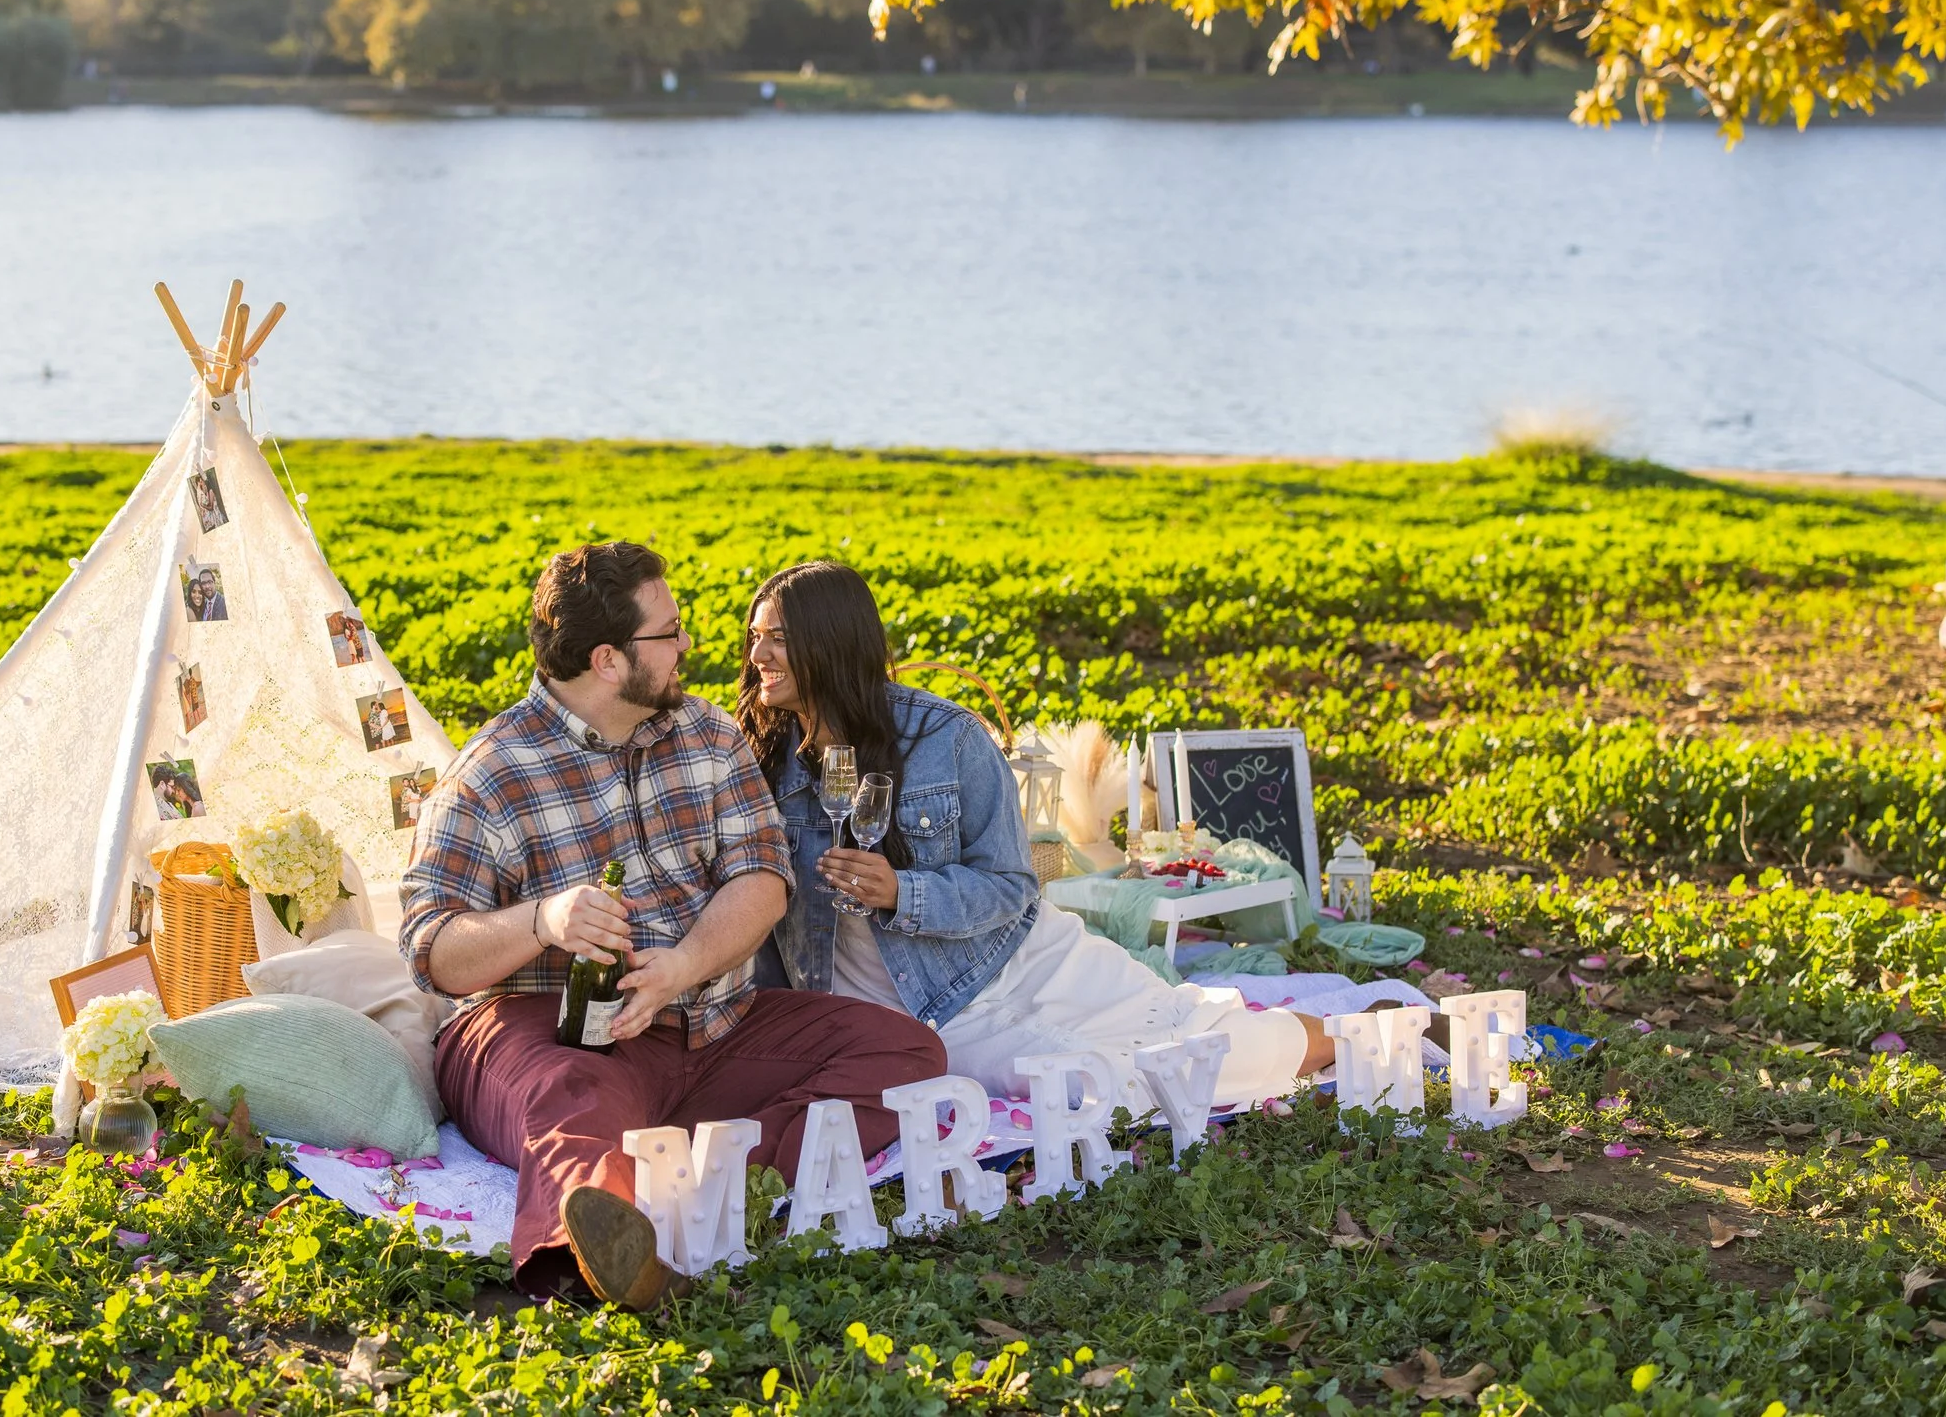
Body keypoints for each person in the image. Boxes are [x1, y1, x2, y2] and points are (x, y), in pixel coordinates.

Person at [400, 543, 945, 1308]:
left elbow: (763, 876)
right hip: (554, 1029)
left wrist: (684, 966)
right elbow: (434, 952)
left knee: (902, 1049)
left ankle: (706, 1181)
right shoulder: (491, 772)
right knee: (572, 1097)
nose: (689, 645)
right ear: (609, 661)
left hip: (714, 1020)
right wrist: (544, 920)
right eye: (670, 632)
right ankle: (608, 1257)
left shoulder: (708, 734)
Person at [737, 561, 1342, 1111]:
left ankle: (1349, 1040)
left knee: (1182, 1024)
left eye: (780, 637)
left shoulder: (946, 740)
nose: (758, 653)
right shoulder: (760, 758)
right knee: (1091, 1085)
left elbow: (1011, 884)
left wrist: (903, 892)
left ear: (833, 642)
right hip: (913, 1010)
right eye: (756, 636)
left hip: (1014, 958)